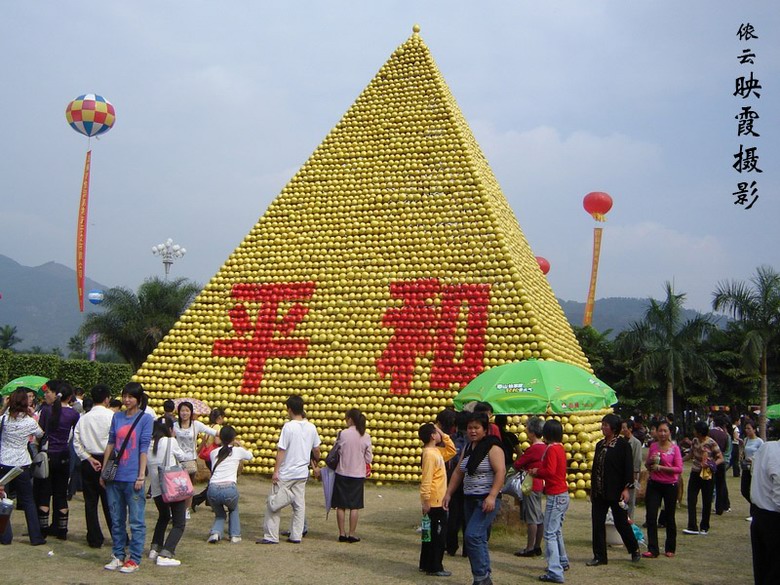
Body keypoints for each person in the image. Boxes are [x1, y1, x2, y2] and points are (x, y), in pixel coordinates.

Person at [443, 412, 505, 585]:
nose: (472, 431)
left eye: (477, 428)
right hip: (469, 499)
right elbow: (458, 472)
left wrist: (492, 496)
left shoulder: (493, 448)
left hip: (485, 500)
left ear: (485, 430)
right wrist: (448, 493)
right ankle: (483, 577)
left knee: (472, 536)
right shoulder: (468, 448)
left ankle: (481, 577)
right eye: (470, 428)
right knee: (478, 538)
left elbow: (501, 472)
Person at [100, 382, 154, 573]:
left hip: (132, 477)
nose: (126, 400)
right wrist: (104, 471)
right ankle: (117, 555)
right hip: (115, 476)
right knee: (116, 519)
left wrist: (141, 475)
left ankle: (135, 558)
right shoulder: (117, 417)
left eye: (130, 396)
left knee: (136, 520)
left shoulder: (145, 419)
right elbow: (111, 444)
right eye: (124, 396)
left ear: (139, 399)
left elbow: (143, 448)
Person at [258, 395, 321, 545]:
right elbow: (317, 449)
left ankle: (271, 536)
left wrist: (275, 471)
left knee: (273, 502)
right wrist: (315, 459)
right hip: (301, 473)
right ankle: (296, 535)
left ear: (289, 409)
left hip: (287, 472)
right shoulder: (311, 427)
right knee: (299, 505)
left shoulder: (288, 426)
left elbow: (281, 450)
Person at [587, 413, 640, 567]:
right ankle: (600, 556)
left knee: (621, 522)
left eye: (606, 425)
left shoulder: (622, 445)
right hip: (599, 491)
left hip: (616, 491)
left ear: (614, 428)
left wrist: (626, 489)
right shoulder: (600, 445)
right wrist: (592, 489)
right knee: (597, 523)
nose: (603, 427)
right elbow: (596, 467)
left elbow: (627, 468)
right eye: (602, 424)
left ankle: (634, 549)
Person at [0, 388, 47, 546]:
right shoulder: (29, 421)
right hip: (22, 463)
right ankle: (36, 537)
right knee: (28, 500)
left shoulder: (4, 419)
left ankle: (5, 536)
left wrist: (4, 407)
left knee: (2, 500)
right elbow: (40, 434)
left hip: (4, 462)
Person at [35, 380, 80, 539]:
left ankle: (43, 529)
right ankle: (62, 530)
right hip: (64, 456)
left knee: (44, 493)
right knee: (61, 494)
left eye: (49, 392)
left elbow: (40, 433)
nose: (47, 395)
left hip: (47, 456)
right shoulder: (74, 414)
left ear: (57, 394)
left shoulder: (46, 411)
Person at [528, 419, 570, 583]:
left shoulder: (551, 449)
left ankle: (555, 571)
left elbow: (550, 472)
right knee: (556, 530)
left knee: (549, 533)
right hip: (563, 493)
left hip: (555, 494)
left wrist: (537, 471)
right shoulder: (560, 448)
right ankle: (562, 560)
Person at [72, 384, 114, 548]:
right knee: (110, 502)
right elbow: (117, 441)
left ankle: (94, 538)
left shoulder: (84, 418)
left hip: (89, 461)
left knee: (90, 502)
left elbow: (76, 442)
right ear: (107, 399)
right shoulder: (112, 416)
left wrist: (88, 458)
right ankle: (118, 535)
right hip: (107, 459)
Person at [146, 417, 187, 566]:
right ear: (170, 430)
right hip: (172, 488)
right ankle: (166, 553)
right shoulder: (171, 441)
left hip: (157, 490)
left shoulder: (148, 444)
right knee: (179, 523)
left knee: (163, 517)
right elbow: (182, 457)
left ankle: (155, 548)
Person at [418, 422, 456, 576]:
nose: (440, 434)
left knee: (430, 534)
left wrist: (442, 433)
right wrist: (426, 500)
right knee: (437, 536)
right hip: (434, 501)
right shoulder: (429, 454)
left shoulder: (436, 452)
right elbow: (426, 479)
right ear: (433, 436)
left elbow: (452, 450)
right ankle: (434, 566)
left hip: (437, 499)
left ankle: (426, 563)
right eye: (437, 432)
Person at [642, 419, 682, 559]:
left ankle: (670, 547)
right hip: (654, 484)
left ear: (670, 432)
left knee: (669, 517)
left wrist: (661, 467)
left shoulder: (674, 449)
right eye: (660, 431)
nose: (662, 433)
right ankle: (653, 549)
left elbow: (679, 468)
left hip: (670, 485)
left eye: (665, 431)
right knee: (651, 516)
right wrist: (650, 461)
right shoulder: (653, 446)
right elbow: (647, 466)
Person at [206, 425, 254, 544]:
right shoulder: (238, 451)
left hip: (212, 489)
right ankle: (235, 535)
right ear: (234, 438)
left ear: (220, 438)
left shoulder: (213, 453)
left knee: (220, 514)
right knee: (233, 508)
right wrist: (239, 445)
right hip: (229, 489)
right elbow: (250, 456)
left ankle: (216, 532)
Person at [332, 408, 373, 542]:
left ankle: (341, 533)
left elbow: (336, 450)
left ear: (350, 419)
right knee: (354, 506)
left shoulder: (342, 434)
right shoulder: (365, 436)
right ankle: (352, 533)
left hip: (342, 472)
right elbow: (369, 458)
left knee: (341, 505)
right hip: (357, 474)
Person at [173, 401, 217, 517]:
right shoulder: (175, 425)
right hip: (177, 460)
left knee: (188, 486)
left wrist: (227, 435)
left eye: (187, 410)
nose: (184, 413)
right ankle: (177, 510)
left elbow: (212, 432)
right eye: (182, 410)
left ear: (191, 412)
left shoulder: (196, 425)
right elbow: (170, 439)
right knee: (178, 486)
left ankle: (186, 509)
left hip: (190, 460)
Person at [683, 420, 724, 536]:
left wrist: (711, 464)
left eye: (695, 429)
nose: (693, 431)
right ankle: (692, 525)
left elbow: (720, 458)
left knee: (706, 500)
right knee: (691, 498)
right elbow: (691, 454)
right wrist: (680, 460)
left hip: (707, 474)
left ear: (700, 432)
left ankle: (704, 526)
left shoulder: (711, 443)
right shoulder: (695, 441)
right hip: (695, 472)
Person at [513, 416, 545, 558]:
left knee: (532, 517)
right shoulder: (545, 447)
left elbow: (518, 464)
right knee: (538, 515)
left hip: (530, 484)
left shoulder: (534, 449)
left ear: (532, 432)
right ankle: (537, 546)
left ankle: (530, 547)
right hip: (539, 484)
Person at [749, 440, 780, 585]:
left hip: (759, 514)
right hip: (773, 518)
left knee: (762, 568)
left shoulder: (766, 447)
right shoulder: (775, 453)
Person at [192, 408, 224, 510]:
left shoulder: (209, 426)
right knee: (216, 481)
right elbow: (217, 441)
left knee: (214, 480)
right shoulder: (218, 427)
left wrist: (197, 452)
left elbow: (203, 442)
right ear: (219, 417)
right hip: (214, 457)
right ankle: (197, 499)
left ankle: (208, 501)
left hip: (207, 457)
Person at [740, 419, 763, 521]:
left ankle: (754, 513)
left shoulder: (759, 441)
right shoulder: (746, 440)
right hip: (746, 468)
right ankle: (756, 508)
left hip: (754, 468)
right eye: (746, 428)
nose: (747, 430)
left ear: (754, 429)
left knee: (753, 490)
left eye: (749, 428)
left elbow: (762, 455)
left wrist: (753, 458)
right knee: (744, 490)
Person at [620, 419, 643, 520]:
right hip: (620, 474)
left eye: (624, 428)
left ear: (630, 429)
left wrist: (633, 477)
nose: (622, 430)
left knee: (630, 500)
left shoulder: (636, 443)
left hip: (631, 475)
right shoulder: (621, 441)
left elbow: (637, 461)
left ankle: (630, 520)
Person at [709, 415, 731, 514]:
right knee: (720, 485)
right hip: (721, 461)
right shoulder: (726, 435)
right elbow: (727, 449)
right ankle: (720, 507)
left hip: (711, 460)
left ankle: (709, 504)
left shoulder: (710, 433)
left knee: (709, 485)